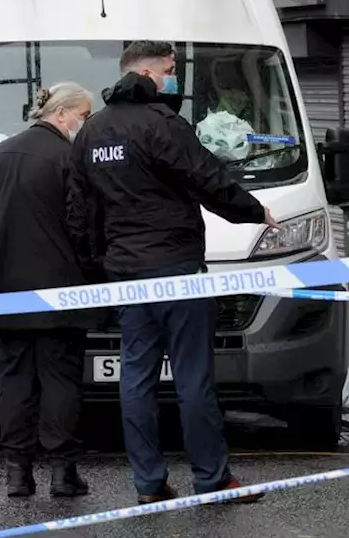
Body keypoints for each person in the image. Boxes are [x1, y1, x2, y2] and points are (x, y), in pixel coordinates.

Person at [67, 41, 278, 505]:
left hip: (126, 273)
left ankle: (148, 484)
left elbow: (79, 211)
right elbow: (207, 180)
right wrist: (255, 210)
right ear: (146, 73)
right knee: (193, 379)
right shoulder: (162, 125)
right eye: (168, 70)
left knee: (136, 379)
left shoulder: (92, 132)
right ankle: (213, 479)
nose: (172, 78)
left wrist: (97, 266)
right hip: (176, 269)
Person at [0, 82, 98, 498]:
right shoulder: (70, 159)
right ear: (61, 114)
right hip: (62, 293)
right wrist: (89, 270)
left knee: (15, 383)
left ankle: (18, 473)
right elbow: (83, 224)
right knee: (60, 382)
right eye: (84, 116)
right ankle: (62, 472)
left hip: (7, 292)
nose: (85, 125)